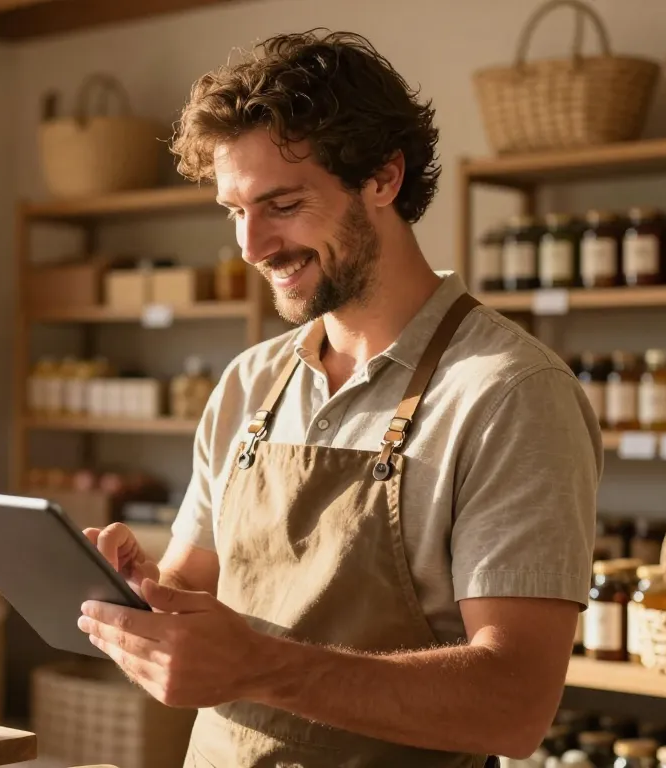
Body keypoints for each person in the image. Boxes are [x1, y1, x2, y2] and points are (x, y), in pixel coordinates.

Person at [78, 29, 601, 768]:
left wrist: (256, 665)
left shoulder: (508, 393)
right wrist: (139, 596)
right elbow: (195, 587)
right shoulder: (250, 382)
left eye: (282, 204)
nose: (252, 245)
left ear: (383, 179)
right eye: (234, 209)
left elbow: (514, 704)